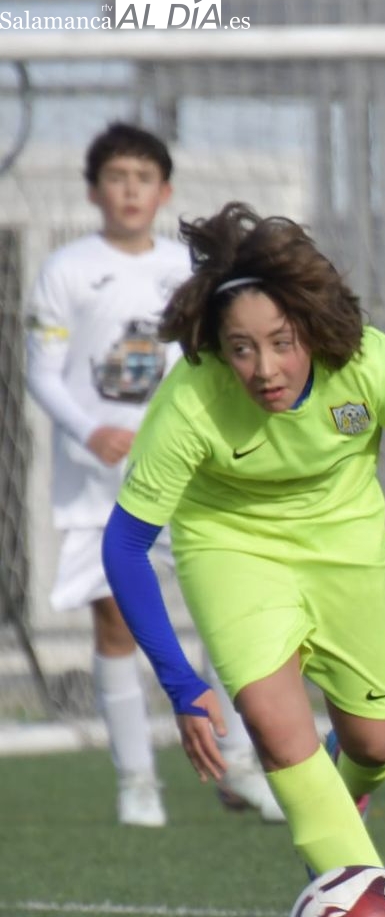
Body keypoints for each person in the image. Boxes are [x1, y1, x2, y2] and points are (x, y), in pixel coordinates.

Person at [101, 201, 385, 882]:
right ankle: (365, 905)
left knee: (376, 745)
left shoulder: (366, 361)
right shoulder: (190, 400)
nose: (265, 368)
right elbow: (125, 545)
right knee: (279, 733)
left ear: (309, 324)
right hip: (231, 548)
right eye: (241, 348)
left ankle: (343, 790)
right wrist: (182, 684)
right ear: (217, 345)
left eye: (281, 341)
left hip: (345, 544)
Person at [25, 122, 281, 827]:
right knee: (115, 622)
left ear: (164, 190)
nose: (130, 190)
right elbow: (41, 373)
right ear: (94, 190)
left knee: (220, 616)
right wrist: (89, 428)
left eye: (143, 178)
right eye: (116, 177)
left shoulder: (185, 272)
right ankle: (138, 782)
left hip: (182, 471)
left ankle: (238, 765)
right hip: (97, 480)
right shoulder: (66, 268)